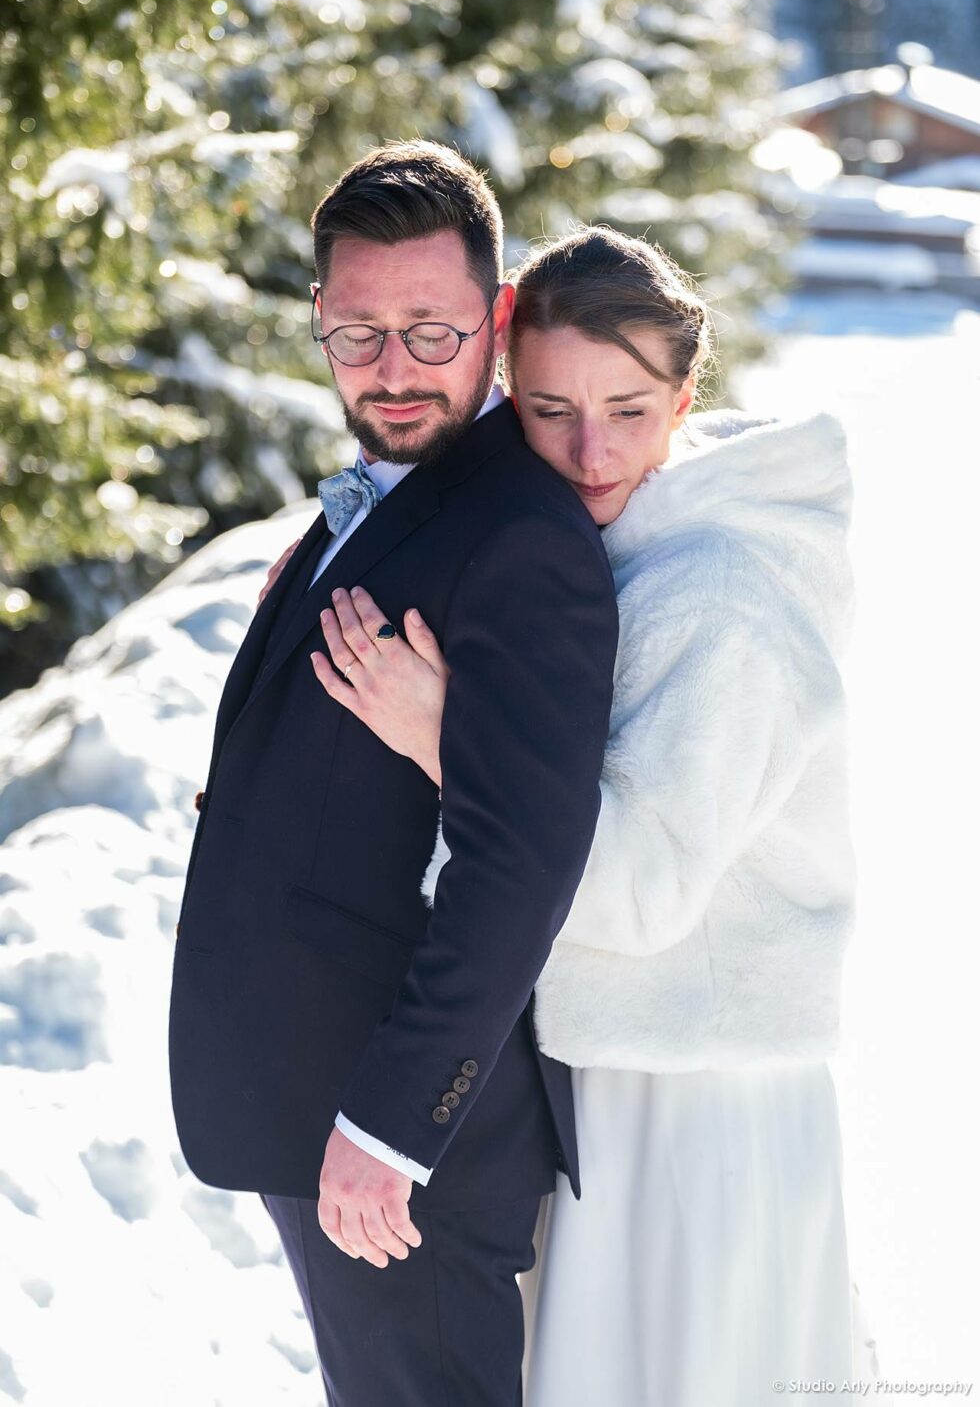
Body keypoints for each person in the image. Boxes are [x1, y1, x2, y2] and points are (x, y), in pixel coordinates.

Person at [285, 224, 871, 1404]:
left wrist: (446, 738)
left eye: (627, 409)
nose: (588, 450)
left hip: (697, 1100)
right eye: (548, 409)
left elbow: (637, 892)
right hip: (613, 1078)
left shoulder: (721, 598)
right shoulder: (616, 544)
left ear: (685, 393)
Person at [167, 145, 619, 1407]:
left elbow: (521, 862)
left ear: (500, 318)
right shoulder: (393, 490)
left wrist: (389, 1127)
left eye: (431, 331)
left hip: (400, 1142)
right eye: (356, 333)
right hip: (316, 1107)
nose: (392, 369)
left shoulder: (521, 536)